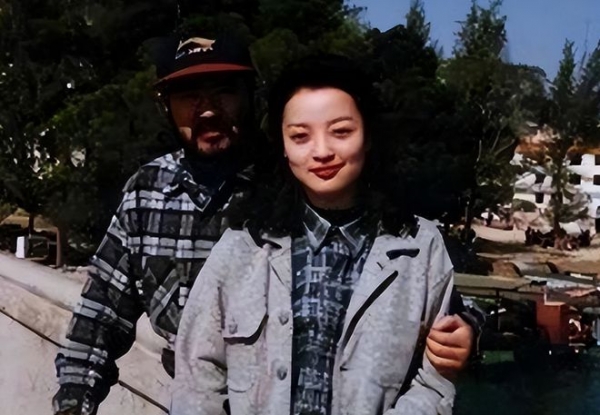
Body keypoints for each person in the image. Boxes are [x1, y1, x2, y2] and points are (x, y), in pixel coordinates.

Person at [172, 55, 460, 415]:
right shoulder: (241, 247)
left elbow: (436, 378)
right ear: (282, 145)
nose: (322, 152)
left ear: (369, 136)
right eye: (300, 136)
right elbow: (197, 373)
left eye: (341, 132)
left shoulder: (421, 247)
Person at [52, 34, 261, 415]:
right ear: (165, 106)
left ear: (251, 96)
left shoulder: (289, 186)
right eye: (189, 97)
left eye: (224, 93)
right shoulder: (148, 190)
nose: (207, 110)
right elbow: (101, 313)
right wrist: (73, 402)